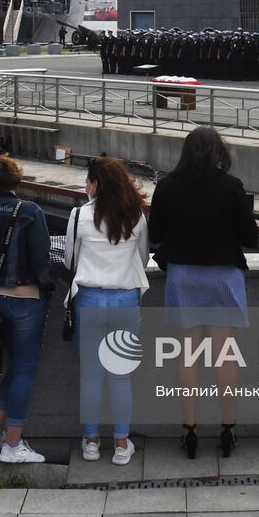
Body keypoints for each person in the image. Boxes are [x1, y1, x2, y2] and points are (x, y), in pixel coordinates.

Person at [148, 126, 259, 459]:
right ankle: (227, 428)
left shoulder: (167, 186)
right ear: (218, 152)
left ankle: (190, 428)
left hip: (183, 276)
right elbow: (250, 237)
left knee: (188, 354)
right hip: (224, 277)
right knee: (225, 354)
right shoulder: (232, 186)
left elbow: (154, 233)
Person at [64, 157, 150, 466]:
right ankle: (121, 443)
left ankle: (90, 442)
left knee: (90, 376)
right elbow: (142, 259)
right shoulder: (136, 217)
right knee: (120, 378)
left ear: (96, 184)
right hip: (125, 301)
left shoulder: (80, 216)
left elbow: (68, 261)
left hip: (88, 300)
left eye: (88, 181)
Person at [0, 155, 54, 464]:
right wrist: (48, 288)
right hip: (26, 300)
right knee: (24, 369)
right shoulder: (31, 211)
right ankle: (13, 444)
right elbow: (42, 259)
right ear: (17, 182)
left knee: (13, 367)